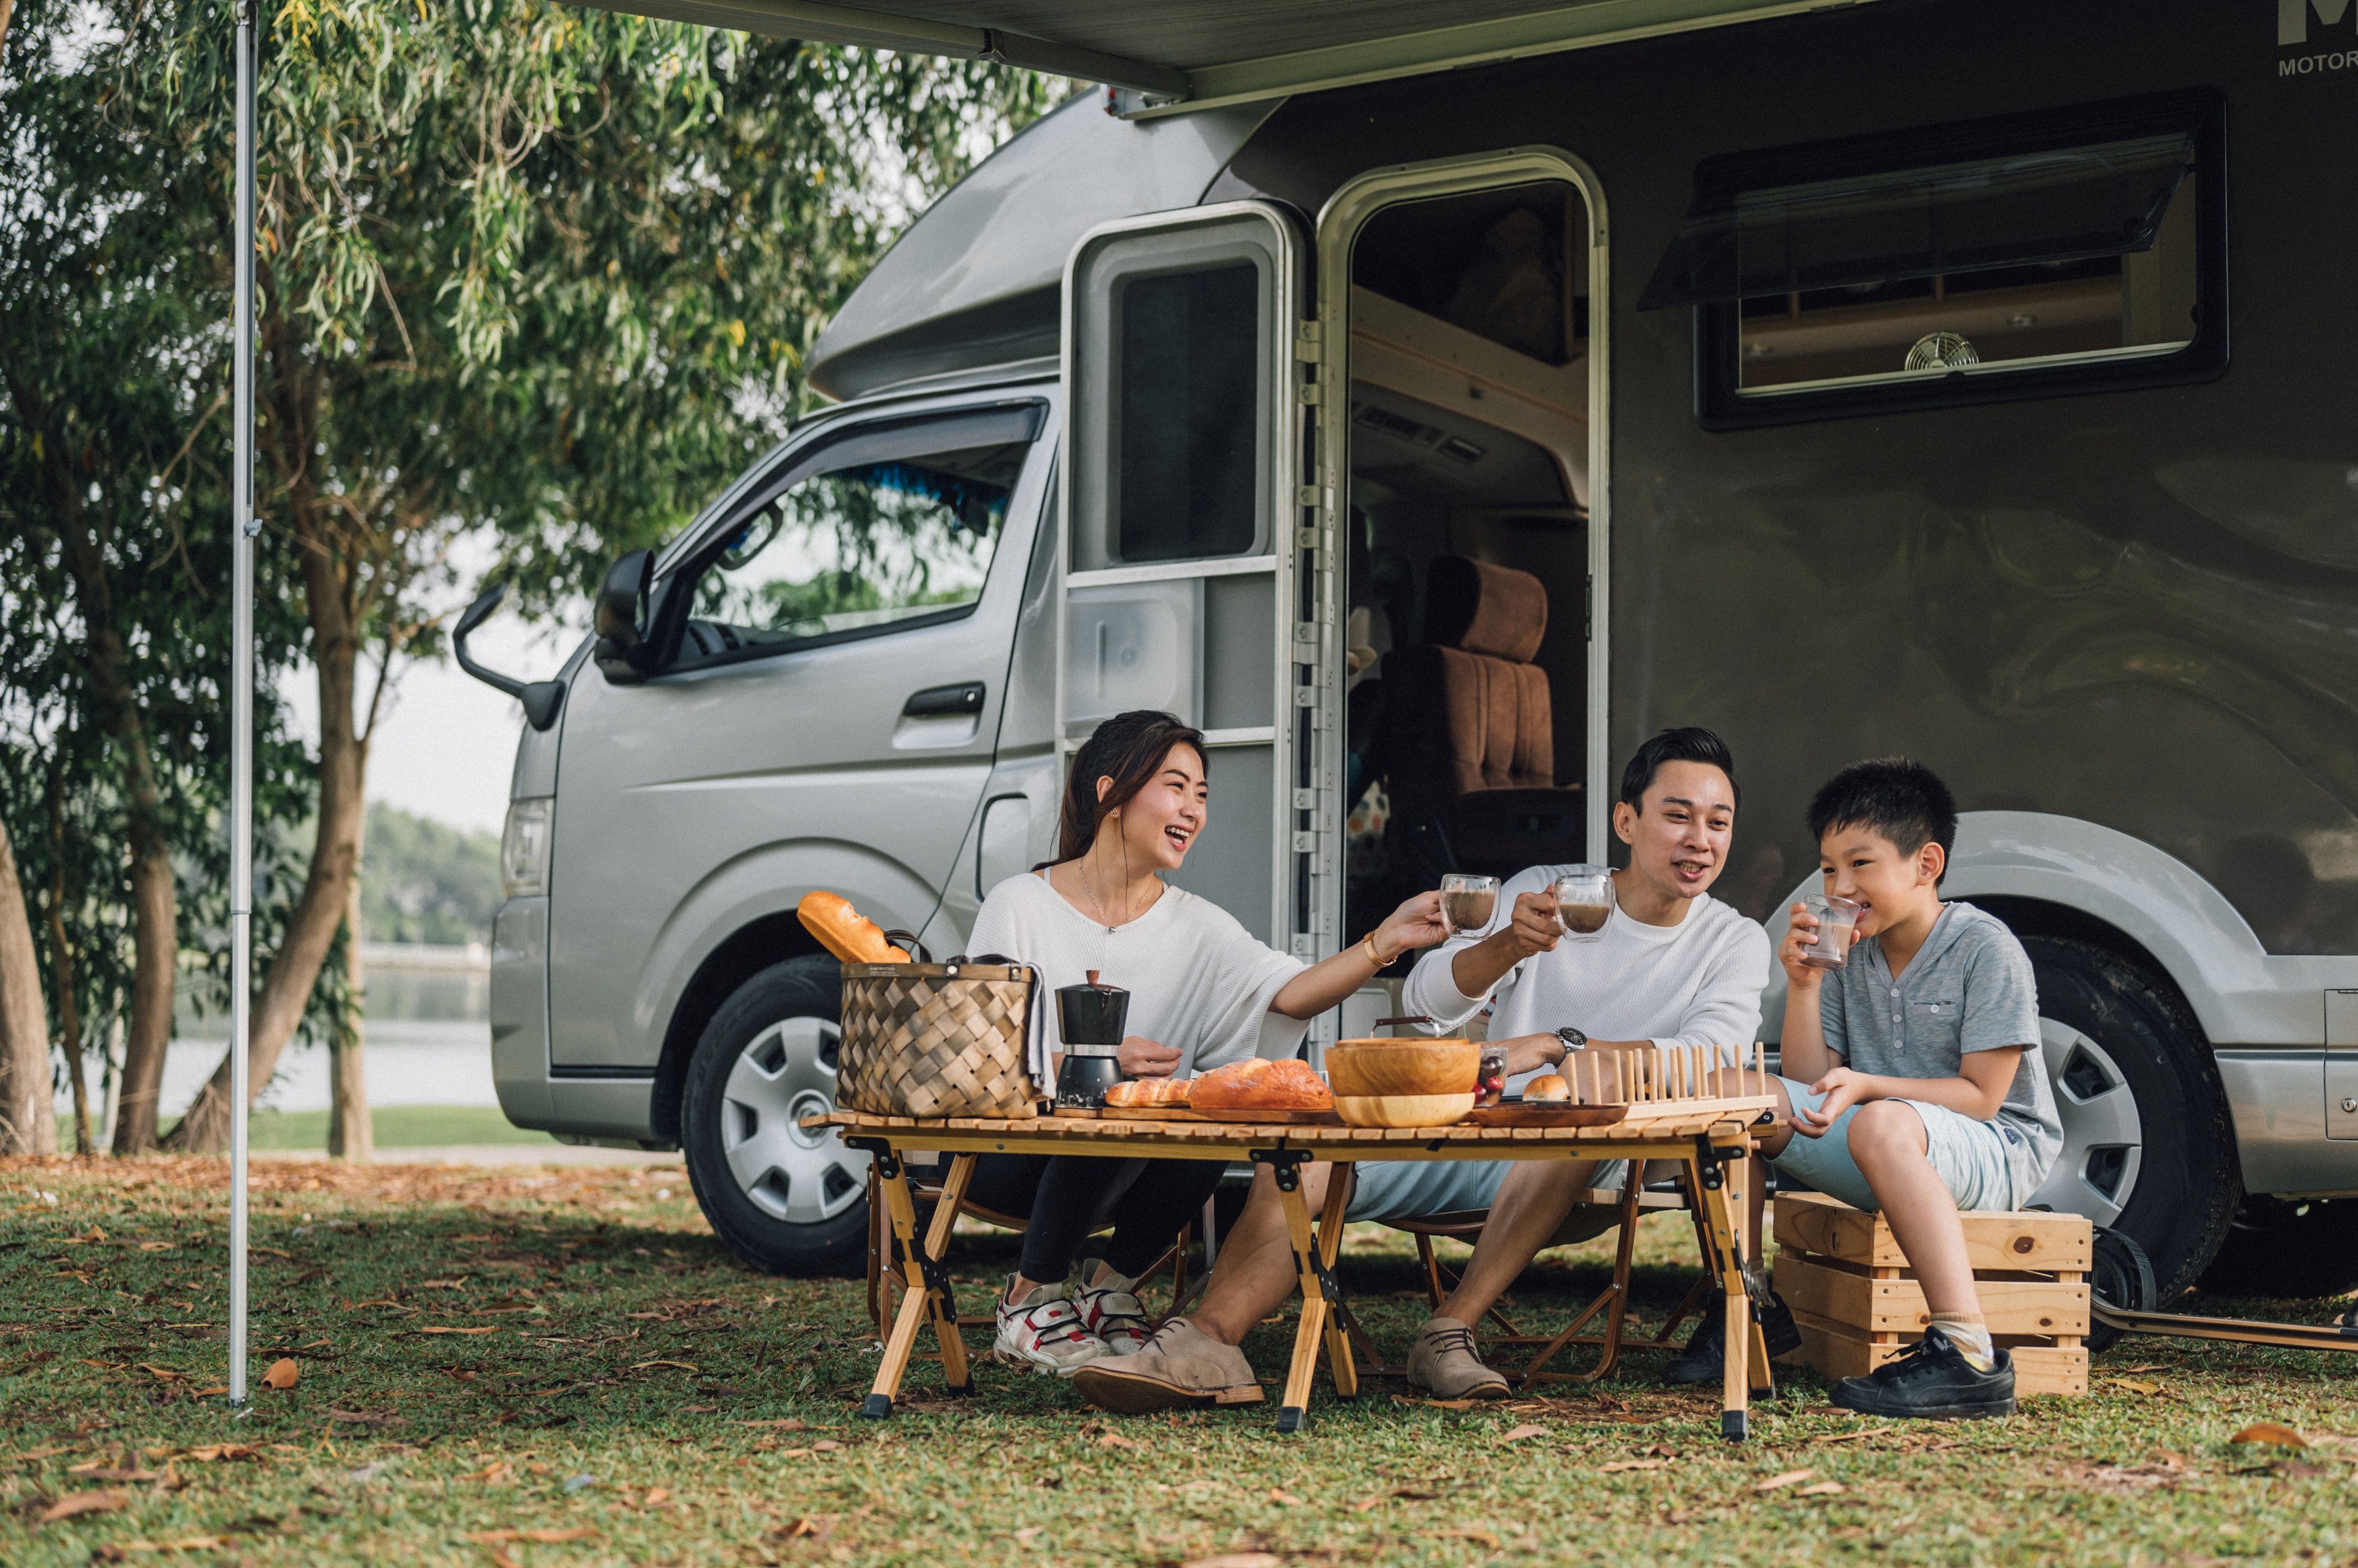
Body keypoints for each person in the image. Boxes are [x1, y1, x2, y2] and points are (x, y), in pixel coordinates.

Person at [1075, 728, 1774, 1412]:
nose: (1699, 840)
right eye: (1677, 816)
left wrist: (1561, 1048)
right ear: (1627, 819)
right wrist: (1503, 945)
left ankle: (1447, 1331)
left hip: (1583, 1156)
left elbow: (1710, 1055)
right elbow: (1425, 1000)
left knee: (1565, 1120)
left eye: (1718, 822)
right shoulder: (1547, 891)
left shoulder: (1733, 939)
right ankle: (1207, 1342)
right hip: (1469, 1124)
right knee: (1306, 1155)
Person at [967, 710, 1447, 1376]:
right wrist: (1091, 1064)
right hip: (1010, 1155)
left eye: (1202, 794)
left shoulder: (1198, 925)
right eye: (1175, 786)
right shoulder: (1019, 903)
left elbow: (1290, 992)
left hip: (1120, 1168)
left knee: (1205, 1111)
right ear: (1112, 792)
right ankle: (1027, 1302)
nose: (1192, 808)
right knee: (1109, 1099)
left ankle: (1108, 1290)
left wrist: (1383, 942)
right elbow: (979, 1055)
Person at [1727, 758, 2058, 1419]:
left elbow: (1983, 1098)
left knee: (1882, 1122)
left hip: (1994, 1149)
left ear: (1925, 863)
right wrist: (1804, 984)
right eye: (1828, 869)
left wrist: (1871, 1086)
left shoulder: (1985, 949)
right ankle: (1750, 1308)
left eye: (1861, 864)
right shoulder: (1852, 951)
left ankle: (1968, 1353)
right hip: (1887, 1141)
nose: (1841, 887)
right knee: (1742, 1095)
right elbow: (1807, 1083)